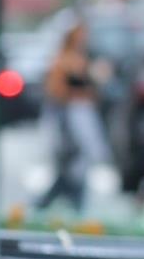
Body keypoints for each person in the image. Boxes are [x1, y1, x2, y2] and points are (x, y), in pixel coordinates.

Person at [37, 17, 111, 211]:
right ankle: (44, 207)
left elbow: (94, 90)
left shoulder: (84, 60)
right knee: (69, 171)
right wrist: (80, 95)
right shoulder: (61, 61)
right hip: (69, 121)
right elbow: (56, 92)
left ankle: (73, 209)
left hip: (85, 119)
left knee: (77, 172)